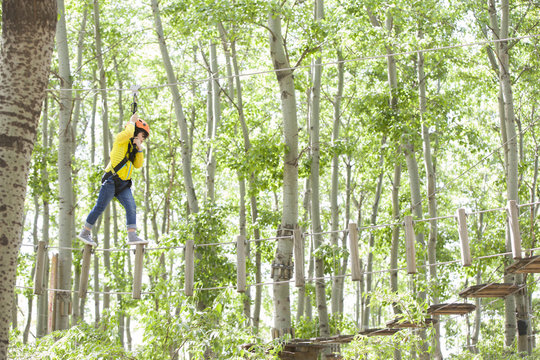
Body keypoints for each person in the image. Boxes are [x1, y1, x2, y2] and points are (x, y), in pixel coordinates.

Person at [78, 114, 149, 246]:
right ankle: (85, 232)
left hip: (123, 185)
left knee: (131, 206)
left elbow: (138, 165)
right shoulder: (121, 139)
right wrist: (132, 122)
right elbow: (128, 132)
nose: (144, 139)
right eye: (142, 136)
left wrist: (139, 149)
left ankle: (132, 236)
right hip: (111, 180)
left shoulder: (133, 149)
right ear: (135, 132)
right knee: (100, 206)